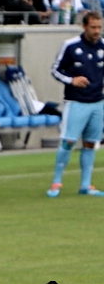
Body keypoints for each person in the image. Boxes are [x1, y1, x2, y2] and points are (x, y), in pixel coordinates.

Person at [48, 12, 104, 197]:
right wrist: (71, 80)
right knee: (68, 141)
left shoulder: (103, 45)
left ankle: (86, 185)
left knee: (90, 143)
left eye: (99, 27)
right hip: (76, 101)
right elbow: (55, 70)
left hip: (98, 102)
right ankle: (56, 182)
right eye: (93, 27)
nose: (97, 31)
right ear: (84, 26)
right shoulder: (71, 46)